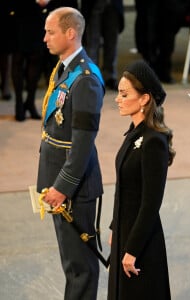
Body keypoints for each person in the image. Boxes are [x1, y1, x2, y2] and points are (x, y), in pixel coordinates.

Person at [36, 7, 105, 300]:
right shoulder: (65, 69)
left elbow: (83, 143)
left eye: (50, 32)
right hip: (60, 181)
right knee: (71, 263)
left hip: (75, 187)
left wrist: (62, 187)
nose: (45, 38)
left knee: (81, 267)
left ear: (70, 33)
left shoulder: (86, 78)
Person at [107, 60, 175, 300]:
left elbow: (150, 203)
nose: (118, 98)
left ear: (145, 98)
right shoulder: (134, 133)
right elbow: (123, 188)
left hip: (142, 241)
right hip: (125, 231)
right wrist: (115, 226)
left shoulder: (153, 141)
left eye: (125, 94)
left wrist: (133, 249)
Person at [81, 0, 124, 90]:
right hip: (93, 4)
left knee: (111, 43)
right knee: (92, 44)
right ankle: (92, 77)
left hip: (113, 4)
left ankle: (110, 76)